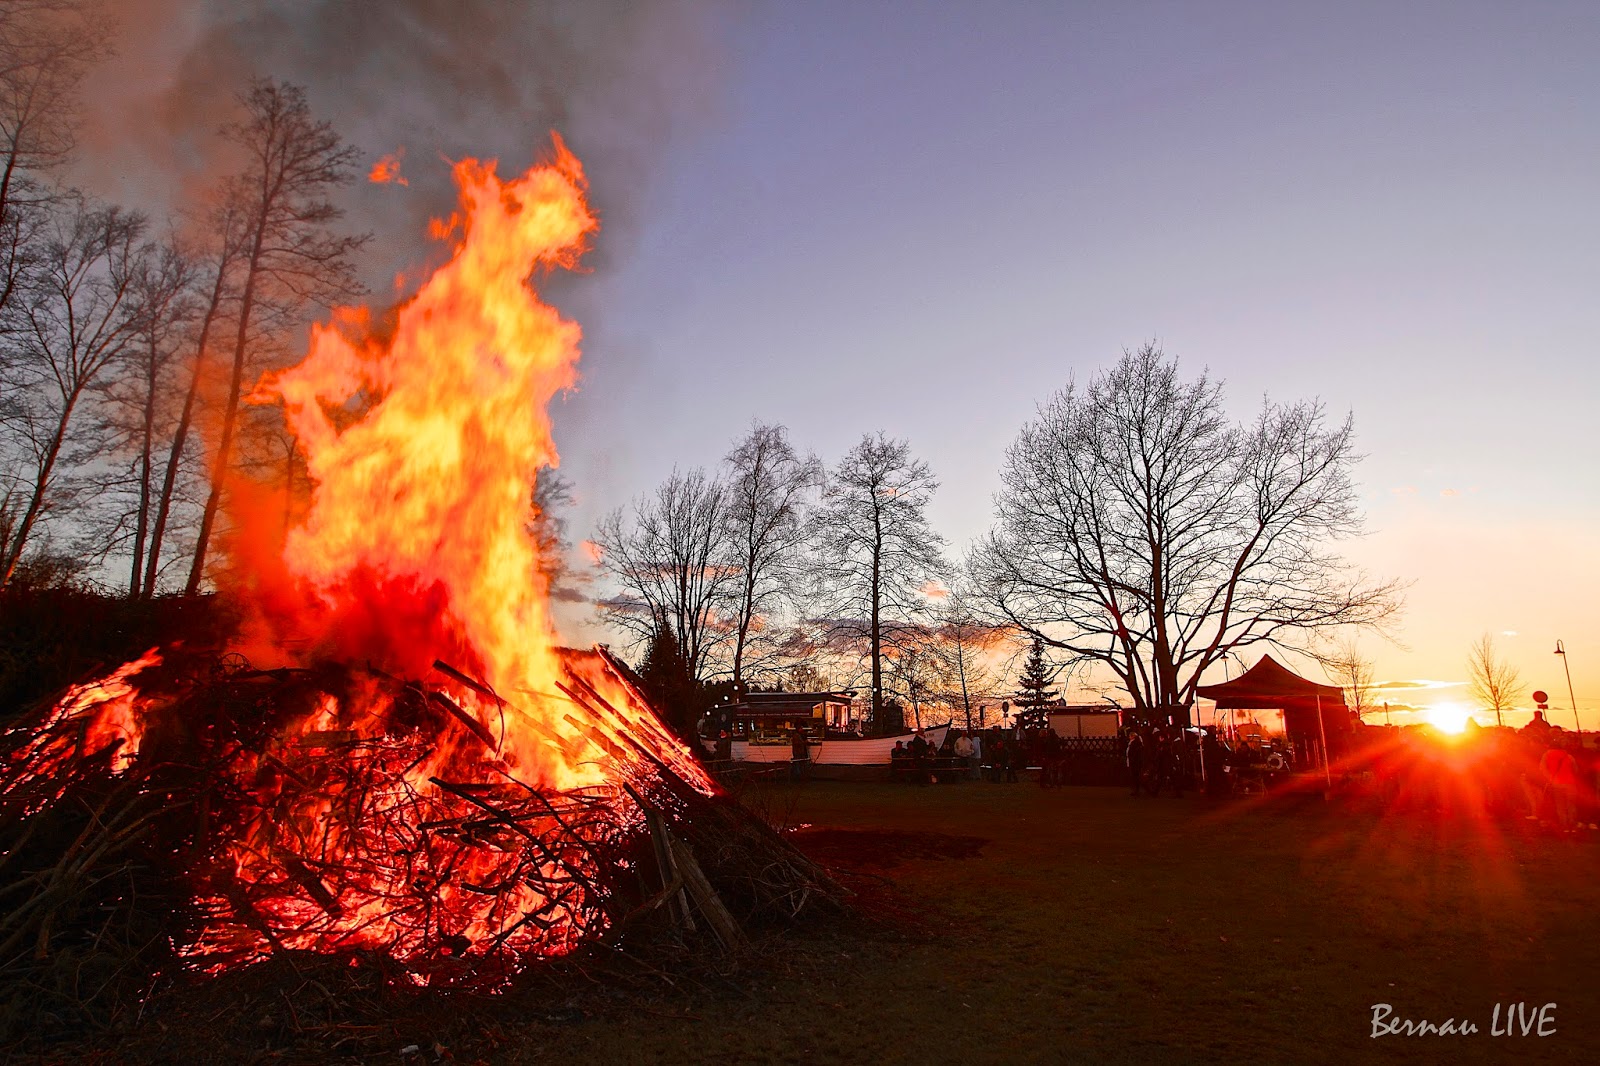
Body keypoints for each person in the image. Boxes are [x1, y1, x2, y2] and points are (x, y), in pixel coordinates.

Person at [1540, 736, 1581, 832]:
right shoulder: (1568, 756)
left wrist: (1550, 778)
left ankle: (1564, 825)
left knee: (1560, 806)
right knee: (1571, 805)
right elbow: (1575, 770)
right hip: (1570, 783)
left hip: (1556, 784)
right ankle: (1572, 825)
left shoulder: (1546, 755)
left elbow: (1542, 768)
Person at [1126, 730, 1146, 796]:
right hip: (1133, 762)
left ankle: (1136, 790)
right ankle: (1137, 790)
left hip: (1134, 763)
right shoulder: (1135, 743)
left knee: (1135, 777)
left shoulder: (1134, 744)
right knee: (1135, 777)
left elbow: (1132, 753)